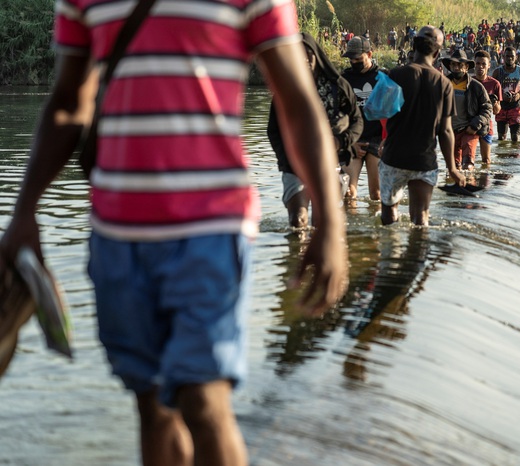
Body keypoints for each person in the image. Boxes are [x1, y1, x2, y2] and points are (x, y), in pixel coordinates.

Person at [0, 1, 349, 465]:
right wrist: (24, 212)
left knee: (204, 402)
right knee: (152, 405)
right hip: (116, 233)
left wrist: (330, 222)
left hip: (212, 228)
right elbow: (68, 102)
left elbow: (298, 102)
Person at [268, 33, 363, 228]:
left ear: (317, 55)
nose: (303, 58)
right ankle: (297, 256)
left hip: (331, 160)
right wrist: (284, 159)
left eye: (308, 53)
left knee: (324, 223)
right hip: (295, 163)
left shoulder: (338, 86)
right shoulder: (285, 88)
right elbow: (273, 130)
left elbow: (357, 120)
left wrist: (341, 141)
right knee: (298, 220)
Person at [379, 26, 467, 226]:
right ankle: (417, 256)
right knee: (421, 218)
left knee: (389, 216)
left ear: (413, 46)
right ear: (437, 53)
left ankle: (389, 253)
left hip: (394, 157)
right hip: (424, 160)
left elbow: (381, 112)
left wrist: (384, 138)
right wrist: (452, 168)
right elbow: (445, 131)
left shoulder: (395, 75)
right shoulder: (444, 84)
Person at [341, 36, 384, 200]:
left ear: (370, 54)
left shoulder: (383, 78)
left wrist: (387, 140)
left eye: (358, 59)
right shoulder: (343, 80)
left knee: (377, 193)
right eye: (351, 59)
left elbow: (394, 113)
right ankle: (351, 225)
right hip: (353, 138)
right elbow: (337, 114)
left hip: (378, 139)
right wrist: (348, 141)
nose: (354, 62)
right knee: (347, 193)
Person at [442, 50, 492, 171]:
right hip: (449, 132)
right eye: (454, 65)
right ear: (450, 66)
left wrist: (475, 124)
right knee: (452, 167)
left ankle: (470, 187)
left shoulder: (476, 87)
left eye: (460, 65)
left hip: (469, 130)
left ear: (466, 67)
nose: (456, 68)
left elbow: (487, 108)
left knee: (468, 165)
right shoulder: (442, 84)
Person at [492, 46, 520, 142]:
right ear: (503, 57)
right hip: (501, 107)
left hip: (516, 107)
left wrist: (519, 95)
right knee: (501, 138)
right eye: (507, 56)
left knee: (515, 138)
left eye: (512, 56)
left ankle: (515, 156)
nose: (509, 58)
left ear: (516, 57)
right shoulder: (497, 72)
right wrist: (500, 96)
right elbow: (492, 90)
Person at [472, 50, 502, 165]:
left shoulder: (495, 84)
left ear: (489, 65)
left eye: (483, 64)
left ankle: (485, 181)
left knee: (486, 160)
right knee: (469, 159)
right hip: (470, 124)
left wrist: (493, 102)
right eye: (478, 63)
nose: (480, 67)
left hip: (486, 125)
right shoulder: (469, 82)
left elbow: (497, 111)